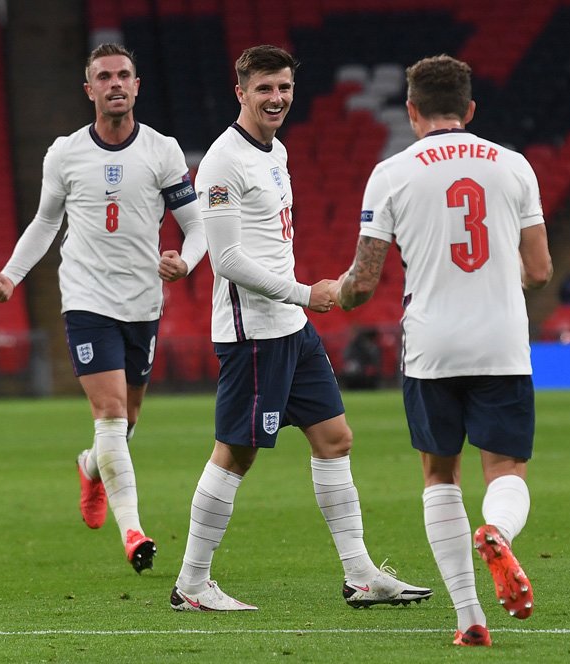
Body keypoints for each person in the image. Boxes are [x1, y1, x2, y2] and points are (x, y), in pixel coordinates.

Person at [169, 45, 432, 612]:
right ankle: (191, 584)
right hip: (255, 333)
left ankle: (360, 575)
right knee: (236, 454)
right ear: (240, 92)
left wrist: (298, 304)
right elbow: (228, 260)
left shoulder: (278, 151)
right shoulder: (221, 162)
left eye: (284, 87)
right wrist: (306, 294)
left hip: (291, 328)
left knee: (335, 439)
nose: (277, 98)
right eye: (264, 88)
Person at [336, 54, 553, 647]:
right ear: (471, 109)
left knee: (439, 474)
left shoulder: (392, 173)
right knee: (505, 469)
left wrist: (330, 296)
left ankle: (469, 618)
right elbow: (539, 269)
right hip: (501, 340)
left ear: (411, 112)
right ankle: (499, 532)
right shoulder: (514, 167)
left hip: (430, 345)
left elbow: (363, 281)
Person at [0, 43, 207, 573]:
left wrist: (187, 262)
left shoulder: (162, 151)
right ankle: (133, 531)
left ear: (137, 85)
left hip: (143, 302)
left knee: (125, 423)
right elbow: (44, 223)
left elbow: (196, 226)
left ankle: (90, 467)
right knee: (108, 414)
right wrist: (11, 277)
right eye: (103, 77)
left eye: (123, 75)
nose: (115, 84)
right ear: (89, 89)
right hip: (86, 297)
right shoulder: (64, 154)